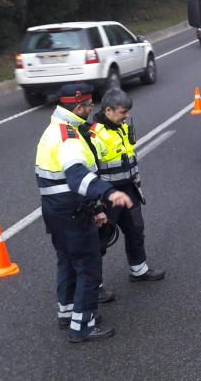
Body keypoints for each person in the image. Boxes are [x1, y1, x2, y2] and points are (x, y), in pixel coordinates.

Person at [35, 83, 133, 343]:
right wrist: (108, 194)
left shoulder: (51, 130)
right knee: (88, 267)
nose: (91, 110)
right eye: (89, 106)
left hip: (55, 211)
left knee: (67, 261)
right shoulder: (69, 137)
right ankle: (83, 326)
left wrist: (96, 208)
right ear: (79, 107)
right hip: (72, 212)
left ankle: (67, 314)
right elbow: (77, 175)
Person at [87, 89, 166, 284]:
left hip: (128, 191)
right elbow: (90, 174)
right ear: (108, 110)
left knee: (135, 230)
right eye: (123, 112)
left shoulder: (120, 126)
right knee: (99, 241)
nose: (127, 115)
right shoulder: (94, 136)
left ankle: (138, 269)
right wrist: (96, 206)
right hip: (107, 196)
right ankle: (93, 286)